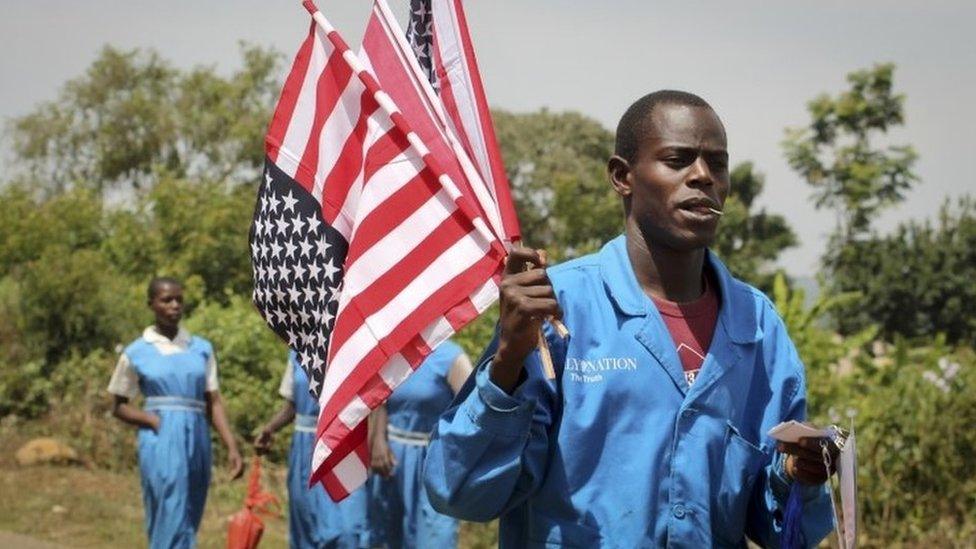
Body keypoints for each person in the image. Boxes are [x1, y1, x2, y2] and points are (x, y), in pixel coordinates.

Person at [424, 91, 838, 547]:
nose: (702, 177)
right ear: (623, 176)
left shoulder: (758, 328)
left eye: (716, 164)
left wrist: (798, 477)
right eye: (678, 160)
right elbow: (460, 493)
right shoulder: (557, 309)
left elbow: (780, 529)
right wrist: (507, 362)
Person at [108, 276, 244, 549]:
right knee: (169, 502)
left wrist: (231, 445)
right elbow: (117, 404)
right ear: (152, 304)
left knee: (192, 503)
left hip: (197, 433)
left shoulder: (201, 349)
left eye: (179, 299)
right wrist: (152, 420)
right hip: (161, 435)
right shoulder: (137, 352)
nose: (174, 305)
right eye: (166, 300)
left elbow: (213, 400)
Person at [254, 350, 368, 548]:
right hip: (305, 446)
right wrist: (270, 428)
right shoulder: (297, 352)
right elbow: (292, 405)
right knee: (305, 519)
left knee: (346, 527)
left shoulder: (355, 343)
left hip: (340, 443)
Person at [368, 340, 473, 548]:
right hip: (392, 460)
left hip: (433, 461)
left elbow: (471, 410)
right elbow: (379, 397)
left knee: (435, 536)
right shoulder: (393, 353)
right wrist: (378, 438)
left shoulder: (451, 357)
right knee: (389, 536)